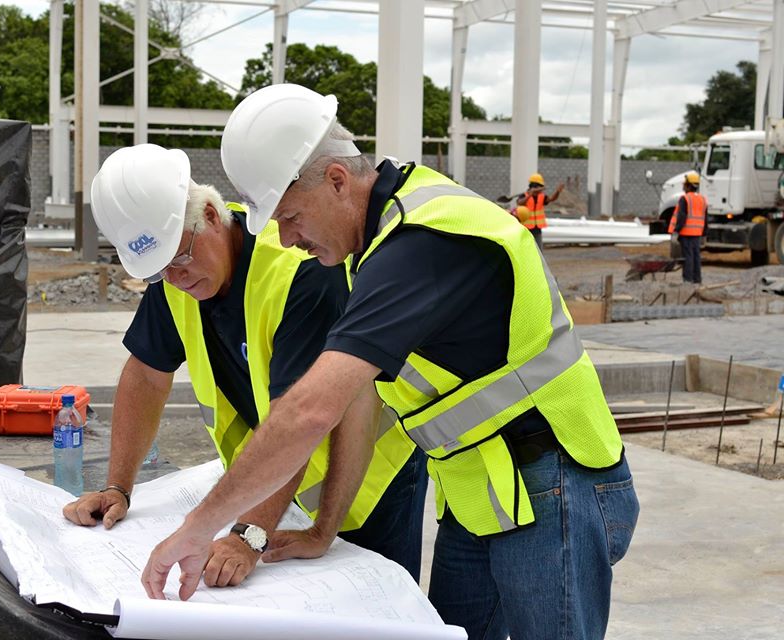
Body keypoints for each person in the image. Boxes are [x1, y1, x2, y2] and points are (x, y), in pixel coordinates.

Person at [142, 85, 640, 640]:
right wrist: (324, 528)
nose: (287, 238)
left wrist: (197, 528)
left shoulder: (424, 242)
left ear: (336, 180)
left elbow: (310, 410)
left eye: (290, 217)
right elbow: (360, 397)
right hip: (483, 494)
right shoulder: (375, 246)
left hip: (555, 486)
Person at [62, 143, 427, 587]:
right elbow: (146, 373)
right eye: (158, 271)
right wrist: (118, 486)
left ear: (212, 216)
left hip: (366, 482)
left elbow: (302, 418)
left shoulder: (301, 272)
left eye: (179, 258)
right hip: (276, 484)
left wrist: (250, 535)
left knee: (378, 608)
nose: (174, 278)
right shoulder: (176, 271)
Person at [668, 171, 707, 284]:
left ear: (688, 185)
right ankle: (697, 279)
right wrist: (704, 233)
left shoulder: (685, 199)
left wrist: (676, 231)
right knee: (696, 256)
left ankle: (688, 280)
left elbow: (682, 217)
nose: (683, 186)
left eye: (685, 184)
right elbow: (705, 218)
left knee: (688, 257)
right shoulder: (702, 199)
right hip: (697, 233)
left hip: (686, 233)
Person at [516, 172, 564, 249]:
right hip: (526, 229)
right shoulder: (525, 195)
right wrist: (530, 195)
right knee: (526, 248)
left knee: (538, 249)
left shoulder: (542, 197)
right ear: (534, 187)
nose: (540, 190)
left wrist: (557, 192)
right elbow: (519, 203)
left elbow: (551, 199)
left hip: (537, 229)